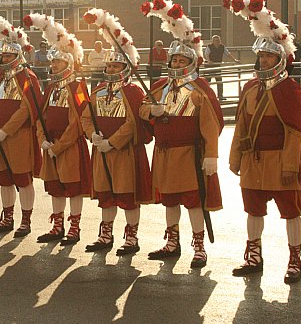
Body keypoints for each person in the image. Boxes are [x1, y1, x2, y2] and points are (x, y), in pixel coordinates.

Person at [229, 36, 301, 284]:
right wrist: (236, 158)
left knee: (290, 211)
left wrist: (289, 165)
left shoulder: (289, 88)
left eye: (269, 56)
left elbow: (296, 131)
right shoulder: (250, 87)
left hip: (280, 159)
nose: (264, 60)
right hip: (253, 159)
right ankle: (254, 257)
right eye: (262, 56)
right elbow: (241, 125)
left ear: (280, 59)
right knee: (253, 209)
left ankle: (295, 261)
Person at [140, 39, 223, 268]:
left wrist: (211, 155)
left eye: (182, 60)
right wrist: (151, 111)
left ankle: (198, 247)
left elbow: (211, 123)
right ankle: (172, 242)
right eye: (174, 59)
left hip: (189, 154)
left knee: (193, 202)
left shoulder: (200, 88)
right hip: (164, 153)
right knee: (170, 200)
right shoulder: (159, 86)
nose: (177, 63)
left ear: (191, 63)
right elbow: (142, 107)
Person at [81, 34, 152, 256]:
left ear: (126, 67)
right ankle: (105, 234)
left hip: (124, 152)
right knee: (106, 195)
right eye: (109, 65)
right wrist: (93, 136)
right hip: (101, 150)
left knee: (127, 196)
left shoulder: (133, 91)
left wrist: (112, 142)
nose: (111, 69)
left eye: (116, 65)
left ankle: (131, 237)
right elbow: (86, 117)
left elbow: (133, 123)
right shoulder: (98, 90)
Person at [0, 33, 42, 238]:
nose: (4, 59)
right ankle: (7, 218)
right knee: (4, 179)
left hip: (18, 136)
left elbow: (26, 109)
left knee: (22, 178)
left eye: (8, 56)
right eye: (3, 56)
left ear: (17, 56)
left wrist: (6, 130)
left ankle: (26, 221)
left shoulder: (27, 77)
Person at [36, 40, 92, 245]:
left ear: (68, 63)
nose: (54, 66)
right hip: (50, 146)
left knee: (73, 187)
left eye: (58, 62)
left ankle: (74, 228)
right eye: (53, 62)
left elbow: (78, 122)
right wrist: (42, 140)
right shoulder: (50, 88)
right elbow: (40, 117)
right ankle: (57, 226)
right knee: (55, 187)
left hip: (69, 147)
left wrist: (59, 147)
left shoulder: (77, 87)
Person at [204, 35, 239, 101]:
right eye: (216, 40)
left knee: (219, 81)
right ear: (213, 41)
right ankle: (206, 95)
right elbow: (206, 54)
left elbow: (228, 54)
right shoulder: (209, 46)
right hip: (209, 66)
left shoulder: (222, 47)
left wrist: (234, 60)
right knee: (207, 81)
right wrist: (209, 61)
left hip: (217, 65)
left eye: (219, 40)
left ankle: (220, 96)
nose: (218, 42)